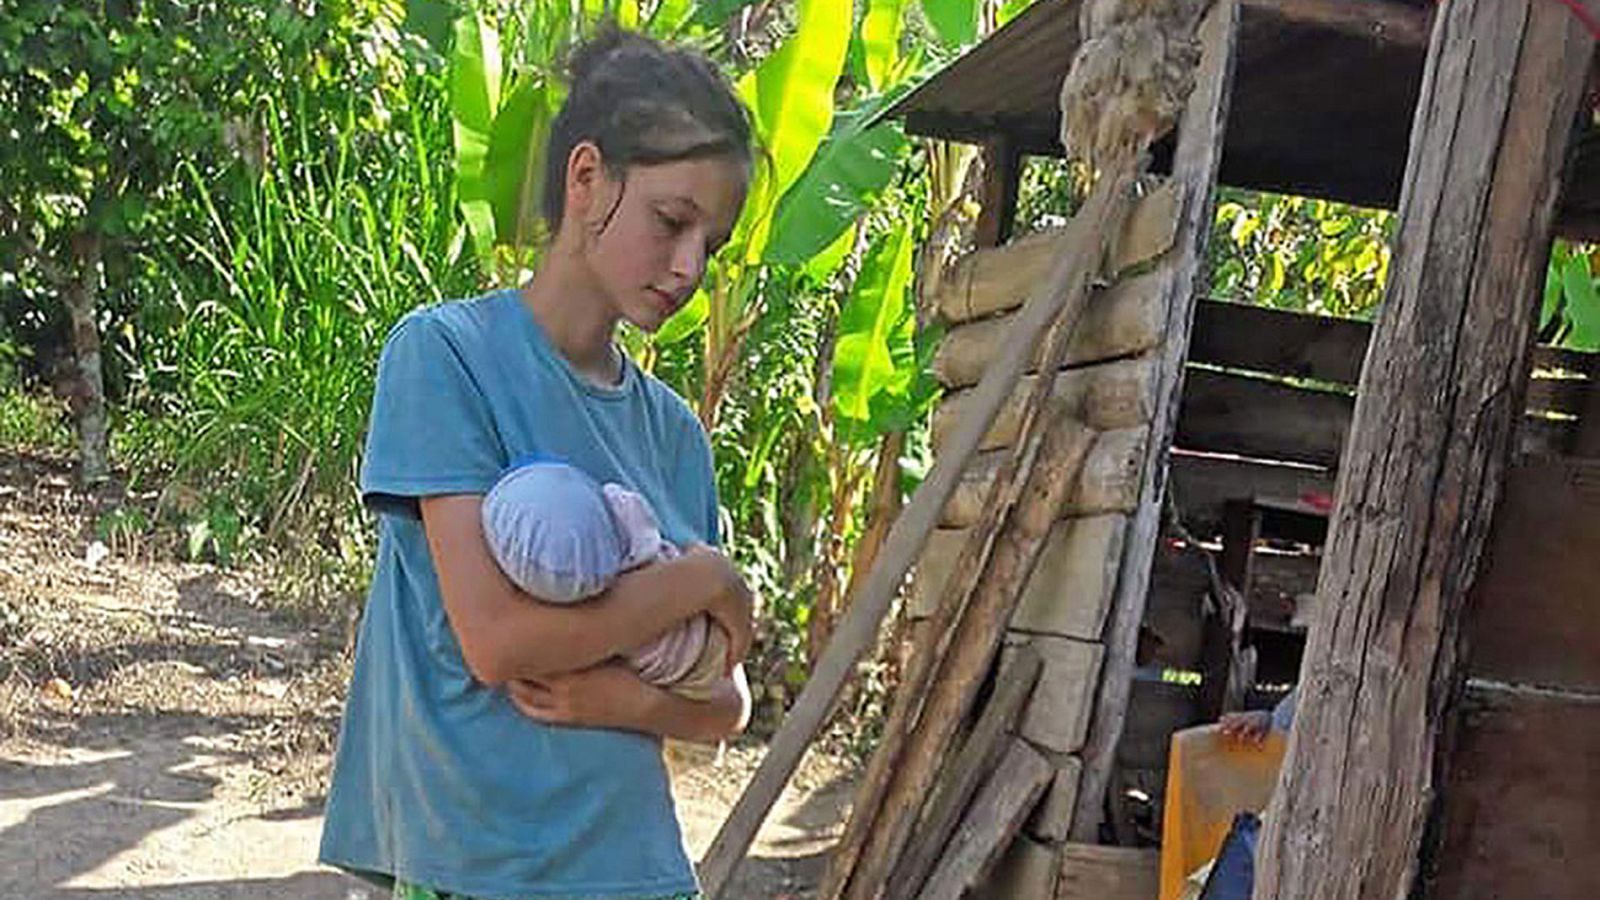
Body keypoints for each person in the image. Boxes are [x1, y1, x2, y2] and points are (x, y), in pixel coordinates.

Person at [318, 26, 757, 900]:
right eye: (672, 221)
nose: (688, 266)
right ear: (587, 177)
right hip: (477, 865)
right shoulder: (444, 357)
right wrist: (708, 579)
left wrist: (627, 703)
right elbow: (499, 642)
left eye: (711, 244)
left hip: (638, 870)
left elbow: (724, 704)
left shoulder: (675, 435)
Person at [479, 456, 727, 701]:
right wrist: (709, 577)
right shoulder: (628, 539)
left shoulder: (570, 607)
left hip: (674, 671)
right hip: (707, 640)